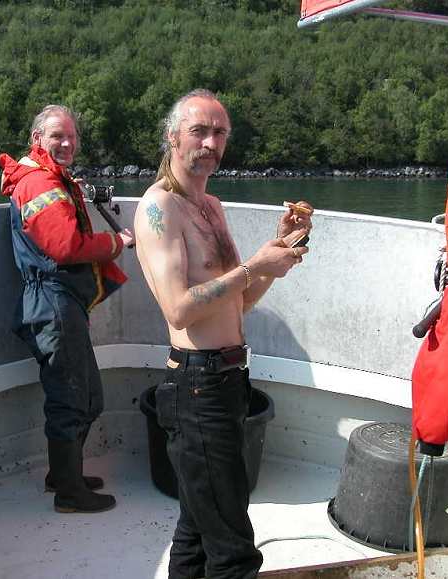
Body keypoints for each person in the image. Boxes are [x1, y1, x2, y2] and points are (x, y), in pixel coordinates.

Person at [133, 89, 312, 579]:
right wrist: (254, 265)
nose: (210, 143)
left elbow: (238, 300)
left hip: (229, 382)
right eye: (199, 131)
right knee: (233, 550)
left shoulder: (211, 205)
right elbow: (178, 309)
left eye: (220, 133)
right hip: (197, 388)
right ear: (173, 137)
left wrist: (276, 254)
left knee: (197, 525)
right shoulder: (159, 208)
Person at [0, 104, 134, 514]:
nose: (67, 143)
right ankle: (70, 494)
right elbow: (66, 246)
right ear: (37, 139)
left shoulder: (47, 178)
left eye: (72, 136)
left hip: (60, 301)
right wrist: (117, 243)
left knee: (85, 396)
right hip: (51, 301)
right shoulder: (38, 183)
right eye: (58, 135)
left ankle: (62, 476)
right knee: (72, 399)